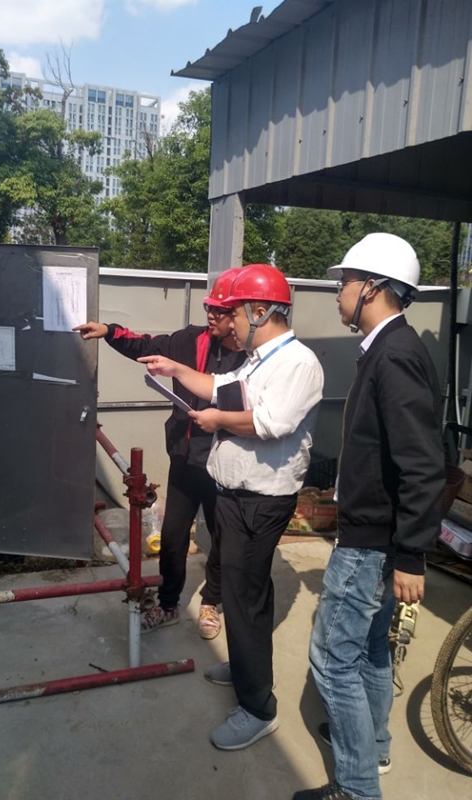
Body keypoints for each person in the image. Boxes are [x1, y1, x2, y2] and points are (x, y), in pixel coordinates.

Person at [138, 264, 324, 750]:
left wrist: (218, 420)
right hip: (236, 496)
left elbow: (269, 423)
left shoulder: (298, 363)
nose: (229, 324)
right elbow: (221, 387)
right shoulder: (258, 359)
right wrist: (176, 371)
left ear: (260, 311)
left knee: (245, 599)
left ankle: (258, 709)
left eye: (235, 314)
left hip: (261, 501)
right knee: (245, 595)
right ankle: (245, 670)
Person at [293, 233, 446, 800]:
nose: (338, 293)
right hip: (378, 536)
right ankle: (372, 745)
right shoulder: (389, 349)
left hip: (370, 543)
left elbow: (422, 464)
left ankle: (357, 786)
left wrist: (411, 554)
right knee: (373, 646)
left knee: (333, 659)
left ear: (373, 288)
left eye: (344, 282)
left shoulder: (395, 355)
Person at [74, 268, 246, 638]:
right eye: (209, 308)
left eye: (219, 311)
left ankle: (211, 603)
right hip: (184, 459)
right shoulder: (190, 340)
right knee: (172, 538)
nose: (211, 316)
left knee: (223, 538)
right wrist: (108, 331)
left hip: (225, 465)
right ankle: (169, 605)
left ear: (240, 315)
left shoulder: (254, 356)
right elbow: (144, 344)